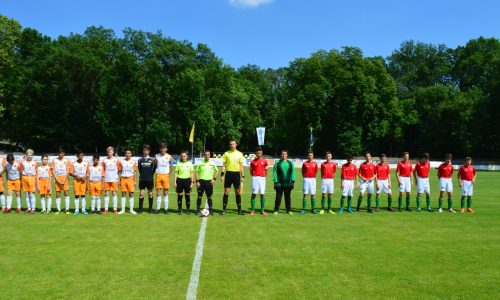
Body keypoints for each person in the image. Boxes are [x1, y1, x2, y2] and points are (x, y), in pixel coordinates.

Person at [221, 139, 245, 215]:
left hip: (236, 174)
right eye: (230, 144)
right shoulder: (226, 153)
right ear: (229, 145)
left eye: (233, 144)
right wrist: (222, 175)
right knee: (226, 192)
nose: (232, 145)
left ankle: (239, 210)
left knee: (237, 192)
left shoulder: (240, 154)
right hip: (228, 174)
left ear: (236, 145)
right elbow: (224, 165)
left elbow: (241, 166)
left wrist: (243, 176)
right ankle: (224, 210)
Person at [272, 149, 296, 215]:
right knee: (278, 197)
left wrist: (293, 182)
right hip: (279, 183)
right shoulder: (277, 163)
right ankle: (276, 210)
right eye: (282, 154)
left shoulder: (290, 163)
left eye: (285, 154)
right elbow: (274, 173)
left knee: (288, 197)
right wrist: (276, 182)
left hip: (288, 184)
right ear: (281, 155)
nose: (284, 155)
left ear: (287, 155)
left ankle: (289, 210)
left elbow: (293, 173)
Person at [195, 150, 218, 215]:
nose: (206, 156)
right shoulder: (200, 163)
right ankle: (198, 209)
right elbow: (197, 172)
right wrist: (197, 181)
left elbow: (217, 171)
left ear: (210, 155)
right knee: (199, 196)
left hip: (209, 182)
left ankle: (210, 209)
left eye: (208, 155)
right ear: (204, 155)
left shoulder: (212, 163)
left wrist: (214, 179)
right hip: (201, 182)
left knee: (209, 197)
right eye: (205, 155)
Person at [154, 143, 173, 214]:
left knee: (165, 192)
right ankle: (158, 209)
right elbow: (155, 165)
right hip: (158, 175)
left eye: (164, 148)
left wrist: (168, 173)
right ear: (160, 149)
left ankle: (166, 209)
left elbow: (172, 166)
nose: (163, 149)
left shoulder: (169, 156)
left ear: (166, 149)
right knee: (158, 192)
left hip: (166, 176)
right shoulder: (156, 156)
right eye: (161, 148)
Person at [249, 147, 269, 215]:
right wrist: (255, 176)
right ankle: (252, 210)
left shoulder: (265, 161)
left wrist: (264, 176)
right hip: (255, 178)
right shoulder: (252, 162)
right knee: (254, 194)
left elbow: (266, 170)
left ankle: (262, 210)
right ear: (255, 153)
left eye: (260, 153)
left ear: (262, 153)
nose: (258, 154)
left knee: (262, 194)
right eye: (257, 153)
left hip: (262, 178)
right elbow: (251, 171)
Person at [51, 148, 71, 214]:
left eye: (62, 153)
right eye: (59, 153)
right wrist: (57, 179)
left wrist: (65, 179)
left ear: (63, 153)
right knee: (58, 194)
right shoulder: (55, 160)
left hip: (64, 177)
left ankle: (67, 209)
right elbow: (53, 170)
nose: (61, 154)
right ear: (58, 153)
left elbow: (68, 170)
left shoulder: (66, 160)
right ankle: (58, 210)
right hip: (57, 178)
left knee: (66, 193)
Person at [119, 148, 137, 214]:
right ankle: (122, 210)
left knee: (131, 194)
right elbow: (120, 171)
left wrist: (135, 181)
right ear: (125, 154)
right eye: (126, 153)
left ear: (131, 154)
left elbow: (135, 172)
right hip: (123, 178)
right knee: (123, 194)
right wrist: (119, 180)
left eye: (129, 153)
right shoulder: (121, 161)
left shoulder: (133, 162)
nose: (127, 154)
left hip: (130, 178)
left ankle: (131, 210)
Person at [137, 144, 155, 214]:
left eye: (147, 150)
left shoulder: (152, 160)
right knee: (141, 194)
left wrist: (150, 175)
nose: (145, 151)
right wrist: (143, 175)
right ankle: (140, 209)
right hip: (142, 179)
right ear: (143, 151)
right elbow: (139, 169)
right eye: (144, 150)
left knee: (150, 194)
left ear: (149, 151)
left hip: (150, 179)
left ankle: (150, 209)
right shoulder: (140, 160)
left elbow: (154, 169)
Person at [102, 146, 121, 214]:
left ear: (113, 152)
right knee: (106, 194)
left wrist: (118, 179)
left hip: (114, 179)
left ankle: (115, 209)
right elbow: (103, 171)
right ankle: (106, 209)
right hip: (107, 179)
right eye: (108, 152)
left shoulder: (116, 160)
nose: (109, 153)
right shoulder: (104, 160)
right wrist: (103, 180)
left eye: (110, 152)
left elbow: (119, 170)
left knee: (114, 193)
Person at [70, 151, 89, 215]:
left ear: (83, 155)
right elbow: (70, 173)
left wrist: (85, 177)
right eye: (79, 155)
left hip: (83, 181)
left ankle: (83, 209)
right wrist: (76, 175)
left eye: (81, 155)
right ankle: (76, 210)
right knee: (77, 195)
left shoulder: (86, 163)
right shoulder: (74, 163)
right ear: (77, 156)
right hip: (76, 181)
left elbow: (88, 172)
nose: (80, 157)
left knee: (83, 195)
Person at [20, 149, 38, 213]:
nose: (29, 156)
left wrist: (36, 183)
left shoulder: (35, 163)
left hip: (32, 178)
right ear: (26, 155)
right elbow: (21, 171)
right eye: (28, 155)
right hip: (24, 178)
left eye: (30, 155)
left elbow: (36, 173)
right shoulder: (23, 163)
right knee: (27, 194)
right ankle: (29, 208)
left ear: (32, 155)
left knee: (31, 194)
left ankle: (33, 209)